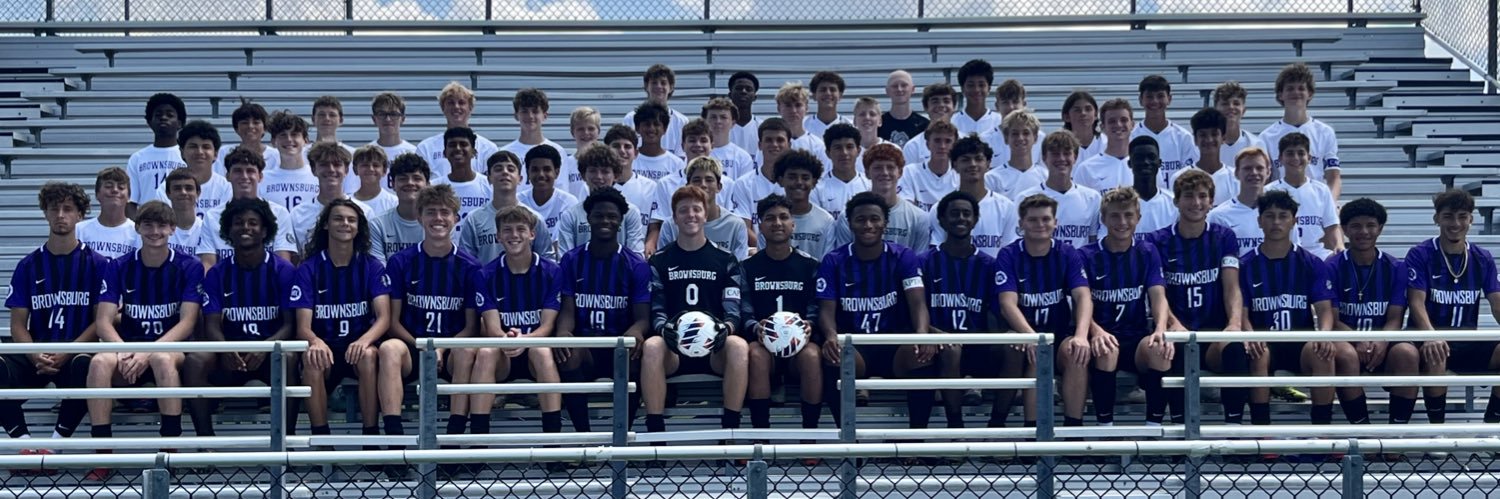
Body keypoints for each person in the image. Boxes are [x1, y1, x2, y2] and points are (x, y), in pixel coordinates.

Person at [85, 200, 200, 480]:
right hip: (129, 349)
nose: (155, 231)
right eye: (148, 225)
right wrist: (125, 351)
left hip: (169, 350)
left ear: (172, 229)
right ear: (137, 228)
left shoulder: (188, 266)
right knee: (100, 361)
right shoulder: (119, 266)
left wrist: (148, 351)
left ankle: (170, 450)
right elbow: (103, 322)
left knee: (161, 358)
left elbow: (187, 322)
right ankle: (103, 454)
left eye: (162, 225)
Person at [374, 185, 483, 446]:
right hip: (412, 346)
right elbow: (393, 321)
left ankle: (453, 439)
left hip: (451, 350)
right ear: (419, 217)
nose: (438, 218)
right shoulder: (401, 262)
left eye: (445, 212)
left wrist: (442, 349)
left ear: (456, 219)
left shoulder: (470, 266)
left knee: (467, 351)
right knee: (388, 349)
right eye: (431, 212)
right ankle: (395, 440)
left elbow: (471, 326)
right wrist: (423, 347)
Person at [3, 182, 105, 460]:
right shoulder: (28, 265)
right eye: (54, 208)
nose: (60, 214)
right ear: (45, 213)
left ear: (80, 215)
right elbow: (17, 324)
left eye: (68, 209)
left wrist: (67, 350)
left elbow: (101, 320)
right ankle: (21, 442)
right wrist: (34, 353)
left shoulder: (97, 263)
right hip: (37, 353)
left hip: (75, 354)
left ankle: (56, 442)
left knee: (89, 366)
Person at [816, 192, 934, 429]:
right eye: (860, 219)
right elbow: (826, 309)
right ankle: (848, 438)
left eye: (874, 219)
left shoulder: (903, 257)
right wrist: (831, 336)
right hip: (855, 347)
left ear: (885, 223)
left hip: (893, 344)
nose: (868, 225)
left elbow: (917, 302)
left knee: (919, 351)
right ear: (850, 224)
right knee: (835, 356)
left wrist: (922, 333)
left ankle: (917, 438)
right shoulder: (834, 261)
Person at [640, 185, 750, 433]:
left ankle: (730, 432)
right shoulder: (660, 260)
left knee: (739, 346)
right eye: (683, 210)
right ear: (674, 217)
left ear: (705, 213)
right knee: (652, 346)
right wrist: (663, 329)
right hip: (674, 350)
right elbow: (656, 307)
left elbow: (733, 309)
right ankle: (656, 435)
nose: (690, 215)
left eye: (696, 209)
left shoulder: (726, 259)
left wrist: (726, 328)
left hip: (714, 351)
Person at [185, 197, 297, 437]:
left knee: (287, 360)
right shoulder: (217, 273)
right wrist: (226, 349)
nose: (245, 227)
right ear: (228, 230)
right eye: (238, 223)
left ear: (265, 230)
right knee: (195, 360)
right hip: (230, 356)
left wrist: (267, 349)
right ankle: (205, 443)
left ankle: (287, 440)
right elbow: (211, 324)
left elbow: (290, 324)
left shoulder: (284, 270)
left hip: (270, 355)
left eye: (253, 223)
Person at [1238, 190, 1350, 426]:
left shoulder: (1311, 263)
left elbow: (1325, 309)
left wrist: (1325, 335)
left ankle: (1322, 431)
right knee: (1258, 353)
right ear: (1259, 221)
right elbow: (1242, 313)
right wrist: (1249, 335)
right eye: (1269, 216)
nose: (1276, 222)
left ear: (1294, 220)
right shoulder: (1246, 265)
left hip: (1301, 342)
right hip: (1265, 342)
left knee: (1323, 351)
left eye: (1283, 216)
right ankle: (1261, 433)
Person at [552, 187, 652, 433]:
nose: (605, 221)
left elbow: (643, 317)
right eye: (599, 216)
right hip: (587, 348)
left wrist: (635, 332)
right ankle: (583, 436)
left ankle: (622, 435)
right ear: (588, 219)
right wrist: (564, 332)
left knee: (638, 352)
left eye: (612, 216)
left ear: (620, 221)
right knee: (567, 351)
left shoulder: (635, 264)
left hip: (619, 347)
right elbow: (567, 310)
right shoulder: (572, 260)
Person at [1149, 169, 1245, 424]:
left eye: (1203, 196)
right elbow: (1157, 292)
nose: (1196, 203)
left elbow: (1231, 286)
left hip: (1213, 333)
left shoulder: (1224, 237)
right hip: (1178, 330)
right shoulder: (1157, 241)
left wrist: (1234, 324)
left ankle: (1234, 430)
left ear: (1212, 201)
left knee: (1235, 349)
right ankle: (1180, 429)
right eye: (1189, 196)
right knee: (1174, 348)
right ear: (1176, 200)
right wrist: (1172, 323)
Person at [292, 198, 390, 440]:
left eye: (351, 220)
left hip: (357, 347)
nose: (345, 224)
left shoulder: (371, 266)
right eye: (338, 218)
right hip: (327, 346)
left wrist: (364, 341)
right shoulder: (309, 268)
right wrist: (315, 341)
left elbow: (384, 317)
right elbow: (302, 326)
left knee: (368, 356)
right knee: (311, 358)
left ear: (358, 227)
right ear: (326, 225)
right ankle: (322, 440)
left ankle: (370, 437)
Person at [992, 194, 1093, 428]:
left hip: (1058, 335)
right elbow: (1008, 304)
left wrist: (1080, 335)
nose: (1040, 225)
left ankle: (1073, 430)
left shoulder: (1067, 253)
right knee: (1040, 356)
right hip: (1025, 336)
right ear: (1021, 224)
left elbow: (1083, 296)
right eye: (1033, 220)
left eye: (1046, 219)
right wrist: (1032, 337)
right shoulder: (1008, 255)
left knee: (1077, 353)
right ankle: (1032, 432)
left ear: (1055, 223)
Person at [1404, 189, 1500, 425]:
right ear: (1436, 219)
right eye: (1448, 216)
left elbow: (1497, 303)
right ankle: (1437, 429)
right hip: (1427, 337)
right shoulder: (1420, 254)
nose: (1455, 223)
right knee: (1437, 352)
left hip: (1466, 340)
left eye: (1462, 216)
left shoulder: (1482, 258)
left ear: (1471, 219)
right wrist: (1430, 336)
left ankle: (1492, 425)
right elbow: (1416, 302)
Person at [471, 206, 565, 438]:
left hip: (534, 351)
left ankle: (552, 444)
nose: (514, 235)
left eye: (521, 229)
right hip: (504, 353)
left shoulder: (552, 271)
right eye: (507, 230)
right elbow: (492, 327)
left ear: (532, 234)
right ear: (498, 236)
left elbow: (547, 326)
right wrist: (508, 340)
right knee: (485, 352)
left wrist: (524, 339)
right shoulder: (486, 274)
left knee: (542, 351)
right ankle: (477, 443)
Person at [1081, 188, 1170, 427]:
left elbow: (1158, 295)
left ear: (1138, 218)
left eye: (1128, 215)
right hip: (1099, 336)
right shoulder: (1087, 255)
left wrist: (1161, 328)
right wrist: (1096, 331)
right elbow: (1080, 303)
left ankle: (1154, 428)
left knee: (1159, 348)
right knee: (1107, 349)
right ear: (1103, 219)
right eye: (1115, 216)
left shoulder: (1147, 251)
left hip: (1135, 337)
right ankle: (1105, 428)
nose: (1122, 222)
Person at [742, 195, 824, 431]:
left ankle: (810, 435)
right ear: (760, 225)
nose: (777, 223)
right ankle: (761, 436)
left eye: (783, 217)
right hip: (764, 346)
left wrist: (810, 325)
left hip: (798, 347)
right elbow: (743, 310)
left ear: (793, 224)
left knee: (811, 355)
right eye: (770, 218)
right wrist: (756, 327)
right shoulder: (747, 267)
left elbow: (816, 306)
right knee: (755, 354)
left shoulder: (810, 265)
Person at [1330, 198, 1409, 424]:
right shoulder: (1332, 267)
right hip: (1348, 340)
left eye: (1370, 225)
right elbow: (1332, 319)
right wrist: (1359, 339)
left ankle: (1396, 433)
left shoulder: (1396, 267)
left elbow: (1396, 317)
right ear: (1344, 230)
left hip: (1383, 342)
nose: (1364, 232)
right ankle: (1362, 430)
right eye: (1355, 226)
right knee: (1344, 354)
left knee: (1407, 354)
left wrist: (1382, 341)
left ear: (1380, 228)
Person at [920, 190, 993, 429]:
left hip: (977, 346)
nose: (960, 218)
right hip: (937, 346)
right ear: (941, 220)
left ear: (975, 219)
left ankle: (999, 425)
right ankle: (955, 426)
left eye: (966, 213)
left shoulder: (989, 265)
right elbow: (912, 309)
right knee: (951, 348)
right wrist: (931, 332)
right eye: (954, 214)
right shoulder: (924, 262)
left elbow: (996, 314)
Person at [196, 148, 299, 267]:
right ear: (228, 176)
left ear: (260, 176)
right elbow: (208, 264)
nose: (244, 176)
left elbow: (283, 261)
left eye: (250, 171)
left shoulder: (279, 213)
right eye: (238, 171)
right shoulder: (212, 216)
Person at [1259, 63, 1341, 199]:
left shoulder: (1325, 132)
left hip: (1315, 202)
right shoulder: (1266, 136)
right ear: (1280, 95)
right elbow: (1265, 180)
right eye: (1290, 88)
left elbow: (1334, 178)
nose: (1296, 93)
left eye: (1301, 88)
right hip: (1280, 205)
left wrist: (1330, 205)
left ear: (1310, 94)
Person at [830, 143, 930, 251]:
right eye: (878, 168)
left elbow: (919, 262)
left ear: (900, 172)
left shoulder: (919, 218)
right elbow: (843, 258)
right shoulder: (847, 216)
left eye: (890, 167)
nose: (885, 173)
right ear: (867, 173)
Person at [457, 150, 551, 263]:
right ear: (489, 178)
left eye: (511, 169)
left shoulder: (534, 218)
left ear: (520, 179)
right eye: (498, 169)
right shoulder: (474, 219)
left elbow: (546, 261)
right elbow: (466, 262)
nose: (505, 172)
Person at [932, 134, 1018, 257]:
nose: (972, 164)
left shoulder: (1007, 208)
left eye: (978, 159)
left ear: (988, 164)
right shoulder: (940, 208)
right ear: (955, 165)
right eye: (965, 159)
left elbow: (1010, 253)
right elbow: (937, 253)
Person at [555, 145, 648, 255]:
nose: (599, 177)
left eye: (605, 171)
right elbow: (565, 259)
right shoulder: (570, 215)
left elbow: (636, 256)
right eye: (593, 171)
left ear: (616, 175)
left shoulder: (631, 212)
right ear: (583, 175)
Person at [1015, 131, 1099, 249]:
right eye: (1055, 154)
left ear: (1075, 157)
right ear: (1044, 158)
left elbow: (1092, 242)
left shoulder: (1092, 198)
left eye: (1066, 153)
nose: (1061, 158)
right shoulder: (1025, 197)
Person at [1264, 132, 1342, 258]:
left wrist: (1338, 245)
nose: (1295, 158)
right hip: (1282, 252)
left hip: (1316, 252)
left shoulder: (1321, 190)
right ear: (1280, 159)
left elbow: (1331, 226)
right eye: (1290, 153)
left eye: (1301, 153)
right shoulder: (1269, 191)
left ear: (1309, 158)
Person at [658, 157, 749, 259]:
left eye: (709, 180)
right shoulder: (671, 225)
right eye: (697, 180)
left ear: (719, 187)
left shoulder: (735, 225)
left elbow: (738, 267)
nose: (703, 185)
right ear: (688, 186)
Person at [290, 142, 374, 250]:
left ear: (346, 170)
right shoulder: (298, 214)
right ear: (313, 170)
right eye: (324, 164)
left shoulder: (365, 211)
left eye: (337, 164)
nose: (331, 169)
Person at [415, 83, 499, 180]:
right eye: (451, 103)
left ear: (470, 107)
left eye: (461, 102)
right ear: (443, 108)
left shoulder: (488, 148)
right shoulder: (426, 148)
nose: (456, 107)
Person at [126, 93, 187, 216]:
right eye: (158, 115)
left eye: (170, 115)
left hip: (180, 224)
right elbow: (130, 203)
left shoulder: (188, 155)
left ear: (180, 123)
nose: (163, 118)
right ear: (149, 122)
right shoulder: (137, 158)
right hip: (148, 226)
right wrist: (140, 226)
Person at [1130, 75, 1197, 184]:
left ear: (1169, 99)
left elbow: (1190, 175)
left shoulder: (1183, 137)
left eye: (1160, 96)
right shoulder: (1132, 136)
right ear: (1141, 100)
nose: (1155, 101)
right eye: (1149, 97)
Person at [160, 120, 232, 218]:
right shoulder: (166, 188)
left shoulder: (226, 188)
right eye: (193, 147)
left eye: (206, 147)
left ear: (215, 154)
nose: (200, 152)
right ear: (182, 152)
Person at [730, 118, 792, 234]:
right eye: (769, 140)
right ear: (759, 145)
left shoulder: (797, 184)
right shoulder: (743, 183)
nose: (774, 145)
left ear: (789, 145)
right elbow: (744, 228)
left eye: (780, 140)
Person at [773, 150, 837, 260]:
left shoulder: (826, 221)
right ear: (780, 180)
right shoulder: (772, 219)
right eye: (792, 177)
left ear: (814, 182)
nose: (799, 182)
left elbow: (827, 262)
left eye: (805, 178)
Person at [519, 144, 579, 260]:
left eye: (547, 169)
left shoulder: (570, 202)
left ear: (557, 172)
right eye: (535, 170)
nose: (541, 175)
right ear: (527, 172)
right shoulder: (518, 203)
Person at [368, 153, 432, 261]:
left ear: (428, 184)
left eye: (417, 178)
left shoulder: (438, 223)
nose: (410, 183)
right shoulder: (377, 225)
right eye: (403, 179)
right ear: (392, 184)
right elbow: (379, 270)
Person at [1209, 148, 1272, 255]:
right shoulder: (1218, 216)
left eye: (1259, 168)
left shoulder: (1280, 213)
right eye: (1247, 168)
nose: (1254, 173)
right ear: (1237, 173)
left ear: (1268, 172)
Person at [1171, 108, 1240, 207]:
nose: (1209, 139)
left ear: (1223, 138)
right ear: (1195, 139)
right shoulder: (1179, 178)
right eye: (1203, 135)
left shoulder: (1236, 178)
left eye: (1214, 134)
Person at [499, 88, 567, 186]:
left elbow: (561, 189)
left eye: (535, 111)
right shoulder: (505, 152)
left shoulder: (558, 151)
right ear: (516, 115)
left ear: (545, 115)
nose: (530, 116)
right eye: (524, 111)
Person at [621, 64, 691, 157]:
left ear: (671, 87)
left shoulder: (682, 121)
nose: (658, 86)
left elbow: (682, 158)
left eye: (663, 83)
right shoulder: (630, 119)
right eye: (654, 82)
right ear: (646, 86)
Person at [603, 124, 662, 232]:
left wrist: (649, 244)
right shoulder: (598, 185)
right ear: (606, 150)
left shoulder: (650, 187)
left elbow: (655, 225)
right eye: (616, 146)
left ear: (636, 153)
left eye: (627, 146)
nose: (622, 151)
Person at [431, 127, 494, 228]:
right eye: (452, 145)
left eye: (463, 144)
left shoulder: (489, 185)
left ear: (474, 152)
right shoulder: (433, 187)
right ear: (444, 153)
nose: (458, 148)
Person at [259, 110, 319, 212]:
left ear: (305, 140)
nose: (289, 139)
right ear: (273, 142)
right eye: (283, 135)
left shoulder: (318, 176)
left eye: (294, 134)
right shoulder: (262, 179)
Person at [983, 110, 1048, 201]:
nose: (1020, 138)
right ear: (1006, 138)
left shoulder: (1046, 177)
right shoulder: (991, 178)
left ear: (1035, 138)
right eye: (1015, 134)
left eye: (1026, 133)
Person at [76, 167, 140, 260]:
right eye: (108, 186)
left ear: (129, 196)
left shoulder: (138, 233)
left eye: (121, 187)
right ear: (97, 194)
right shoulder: (79, 231)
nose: (115, 190)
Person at [1072, 98, 1133, 193]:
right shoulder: (1086, 169)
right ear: (1102, 127)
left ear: (1132, 124)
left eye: (1124, 120)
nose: (1118, 124)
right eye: (1112, 121)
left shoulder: (1145, 165)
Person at [812, 123, 871, 221]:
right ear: (828, 153)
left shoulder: (869, 185)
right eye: (838, 148)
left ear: (859, 151)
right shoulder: (817, 188)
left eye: (849, 147)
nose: (844, 153)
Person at [1122, 136, 1180, 237]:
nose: (1146, 162)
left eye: (1151, 157)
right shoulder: (1118, 203)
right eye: (1139, 158)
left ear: (1159, 163)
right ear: (1129, 163)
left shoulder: (1174, 203)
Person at [898, 120, 960, 212]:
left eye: (947, 141)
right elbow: (906, 210)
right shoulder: (910, 172)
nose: (942, 146)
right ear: (927, 144)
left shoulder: (960, 175)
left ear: (954, 145)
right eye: (937, 141)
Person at [771, 82, 829, 165]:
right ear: (778, 108)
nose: (793, 110)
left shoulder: (817, 145)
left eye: (798, 105)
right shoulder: (770, 144)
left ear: (806, 108)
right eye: (788, 105)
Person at [212, 99, 274, 176]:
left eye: (256, 122)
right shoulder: (224, 152)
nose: (250, 126)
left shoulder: (275, 155)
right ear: (236, 129)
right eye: (245, 123)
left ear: (265, 128)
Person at [901, 83, 957, 165]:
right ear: (926, 107)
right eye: (935, 101)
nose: (941, 105)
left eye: (946, 101)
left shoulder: (964, 141)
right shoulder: (913, 146)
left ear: (954, 106)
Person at [631, 102, 688, 182]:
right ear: (637, 128)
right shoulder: (630, 160)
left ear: (665, 129)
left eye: (656, 124)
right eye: (647, 124)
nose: (651, 129)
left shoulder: (676, 164)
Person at [703, 98, 757, 181]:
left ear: (733, 123)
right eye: (713, 117)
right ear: (705, 121)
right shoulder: (697, 153)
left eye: (723, 117)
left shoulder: (743, 157)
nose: (718, 121)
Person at [1213, 81, 1264, 166]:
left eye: (1236, 103)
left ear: (1243, 110)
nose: (1231, 107)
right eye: (1225, 104)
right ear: (1215, 109)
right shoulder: (1205, 144)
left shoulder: (1255, 144)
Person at [368, 92, 419, 170]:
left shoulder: (414, 153)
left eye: (393, 114)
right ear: (374, 119)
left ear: (403, 119)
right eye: (382, 114)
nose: (388, 119)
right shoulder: (365, 154)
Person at [161, 168, 206, 256]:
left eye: (189, 188)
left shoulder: (207, 230)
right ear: (168, 194)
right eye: (177, 188)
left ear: (198, 193)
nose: (183, 192)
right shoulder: (159, 231)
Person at [879, 70, 928, 147]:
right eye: (894, 86)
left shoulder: (924, 125)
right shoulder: (878, 125)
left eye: (904, 85)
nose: (899, 89)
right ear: (887, 91)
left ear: (913, 89)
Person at [562, 106, 602, 199]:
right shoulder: (565, 164)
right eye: (580, 129)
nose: (586, 133)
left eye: (591, 128)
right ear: (572, 132)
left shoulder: (607, 163)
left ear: (598, 131)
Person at [954, 59, 1000, 136]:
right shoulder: (953, 122)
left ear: (989, 89)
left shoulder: (999, 121)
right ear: (962, 89)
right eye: (971, 85)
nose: (976, 90)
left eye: (981, 85)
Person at [350, 145, 398, 215]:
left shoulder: (394, 202)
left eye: (376, 165)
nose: (370, 169)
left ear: (384, 170)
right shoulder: (348, 202)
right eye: (365, 165)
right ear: (355, 169)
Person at [1062, 91, 1107, 163]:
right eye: (1077, 110)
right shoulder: (1060, 145)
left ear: (1095, 115)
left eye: (1088, 109)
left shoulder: (1106, 144)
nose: (1083, 113)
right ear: (1066, 117)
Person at [805, 71, 852, 138]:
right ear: (814, 95)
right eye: (823, 90)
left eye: (832, 90)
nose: (828, 93)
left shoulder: (851, 126)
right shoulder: (803, 126)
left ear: (840, 96)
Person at [728, 71, 763, 153]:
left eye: (749, 89)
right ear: (730, 95)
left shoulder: (762, 127)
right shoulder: (721, 128)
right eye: (738, 88)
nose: (743, 91)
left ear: (755, 97)